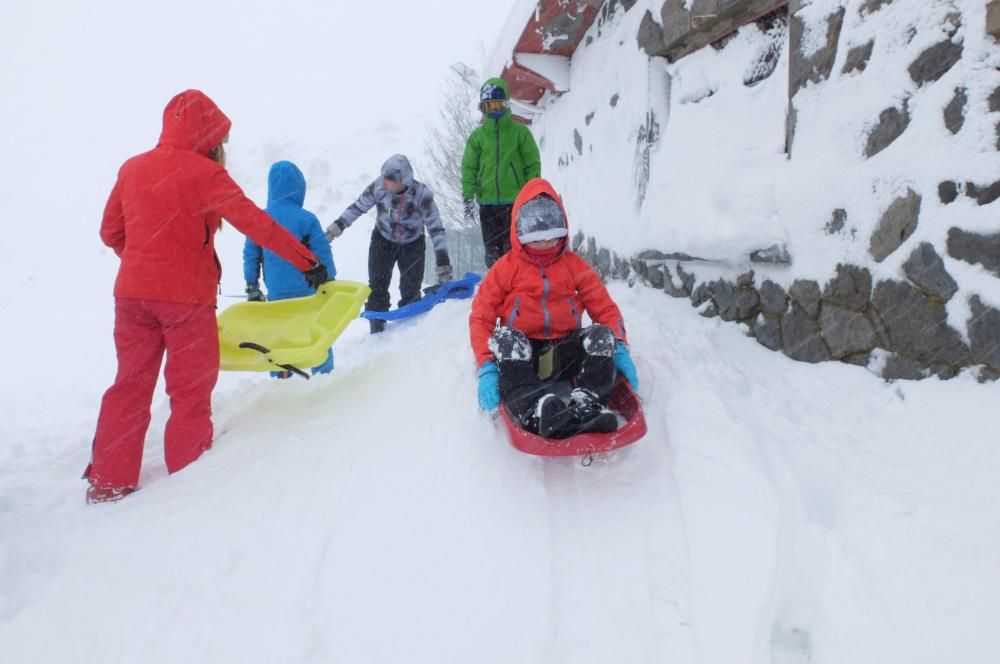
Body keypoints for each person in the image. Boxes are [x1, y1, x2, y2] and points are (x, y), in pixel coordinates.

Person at [86, 90, 327, 504]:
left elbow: (110, 233)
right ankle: (190, 483)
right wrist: (307, 262)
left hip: (132, 297)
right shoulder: (206, 174)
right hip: (186, 302)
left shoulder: (133, 169)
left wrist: (145, 260)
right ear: (209, 138)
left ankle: (109, 482)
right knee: (189, 391)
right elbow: (259, 226)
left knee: (129, 385)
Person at [469, 178, 639, 439]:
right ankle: (536, 409)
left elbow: (605, 309)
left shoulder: (574, 267)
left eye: (552, 237)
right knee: (505, 338)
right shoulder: (505, 269)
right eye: (537, 238)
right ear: (519, 232)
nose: (545, 244)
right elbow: (481, 318)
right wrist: (486, 366)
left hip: (566, 353)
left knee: (601, 334)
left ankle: (587, 403)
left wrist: (619, 345)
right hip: (524, 359)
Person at [326, 154, 452, 333]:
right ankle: (377, 330)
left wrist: (443, 264)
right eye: (383, 177)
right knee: (377, 286)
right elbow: (358, 207)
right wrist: (335, 230)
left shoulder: (421, 195)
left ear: (403, 180)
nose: (383, 182)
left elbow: (436, 229)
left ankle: (408, 331)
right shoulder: (378, 187)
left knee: (411, 288)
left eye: (389, 179)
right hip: (383, 240)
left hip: (412, 244)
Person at [244, 160, 337, 376]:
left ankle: (281, 375)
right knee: (317, 331)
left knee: (279, 335)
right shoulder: (307, 219)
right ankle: (324, 374)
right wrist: (329, 279)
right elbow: (322, 252)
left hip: (277, 293)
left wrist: (252, 285)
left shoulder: (260, 219)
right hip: (308, 291)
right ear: (299, 189)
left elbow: (251, 255)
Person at [461, 77, 541, 268]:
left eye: (497, 105)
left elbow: (532, 164)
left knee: (515, 249)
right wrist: (468, 197)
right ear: (483, 108)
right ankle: (499, 290)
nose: (493, 111)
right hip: (487, 204)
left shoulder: (520, 133)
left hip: (515, 203)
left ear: (506, 104)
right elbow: (469, 167)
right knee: (492, 254)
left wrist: (531, 194)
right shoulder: (478, 137)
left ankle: (518, 288)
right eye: (489, 107)